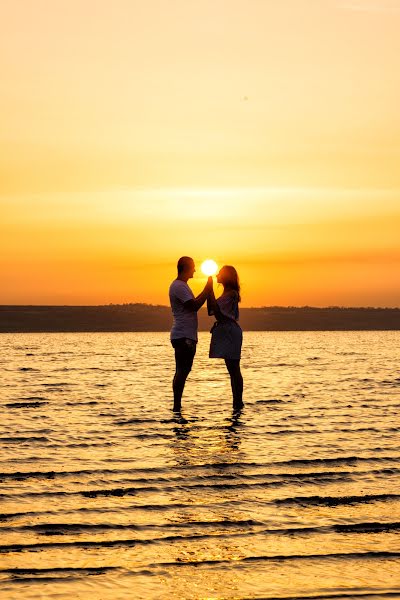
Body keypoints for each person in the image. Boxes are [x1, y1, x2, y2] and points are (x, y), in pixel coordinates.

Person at [169, 256, 212, 412]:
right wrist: (207, 291)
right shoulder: (179, 286)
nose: (195, 270)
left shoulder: (183, 286)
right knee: (182, 371)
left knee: (184, 371)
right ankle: (176, 406)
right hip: (183, 336)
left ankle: (177, 406)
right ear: (185, 267)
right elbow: (193, 306)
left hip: (186, 336)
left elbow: (193, 303)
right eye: (193, 267)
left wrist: (206, 292)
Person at [207, 265, 243, 411]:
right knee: (232, 369)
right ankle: (236, 402)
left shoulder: (231, 294)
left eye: (220, 273)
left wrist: (210, 291)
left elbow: (218, 312)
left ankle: (238, 402)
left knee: (234, 368)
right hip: (225, 330)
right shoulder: (226, 293)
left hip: (230, 331)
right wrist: (209, 292)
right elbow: (211, 310)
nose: (217, 275)